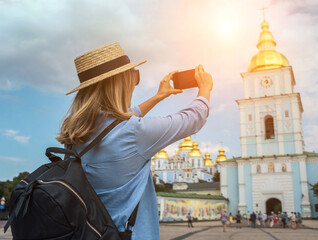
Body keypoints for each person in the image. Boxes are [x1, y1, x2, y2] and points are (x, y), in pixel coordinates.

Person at [57, 42, 213, 239]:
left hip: (88, 232)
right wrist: (205, 88)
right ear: (121, 83)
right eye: (134, 76)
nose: (134, 82)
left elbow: (117, 122)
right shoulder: (134, 133)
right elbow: (193, 119)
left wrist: (158, 97)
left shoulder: (74, 132)